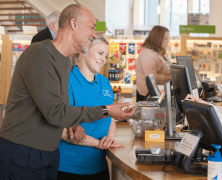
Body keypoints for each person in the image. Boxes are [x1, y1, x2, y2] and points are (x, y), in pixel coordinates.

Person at [0, 4, 134, 180]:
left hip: (47, 153)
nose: (94, 34)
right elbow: (55, 112)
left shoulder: (63, 61)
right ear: (74, 24)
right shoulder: (40, 54)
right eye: (92, 28)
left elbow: (55, 105)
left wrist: (72, 123)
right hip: (23, 153)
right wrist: (106, 110)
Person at [56, 34, 122, 180]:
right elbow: (65, 131)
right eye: (100, 53)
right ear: (84, 52)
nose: (103, 59)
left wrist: (110, 138)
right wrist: (99, 144)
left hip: (99, 166)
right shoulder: (67, 80)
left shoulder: (104, 82)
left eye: (106, 55)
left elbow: (110, 115)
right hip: (71, 168)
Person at [136, 25, 172, 101]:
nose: (168, 41)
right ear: (158, 39)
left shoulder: (161, 52)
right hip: (147, 96)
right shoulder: (148, 53)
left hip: (159, 93)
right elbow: (152, 78)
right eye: (165, 38)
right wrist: (171, 77)